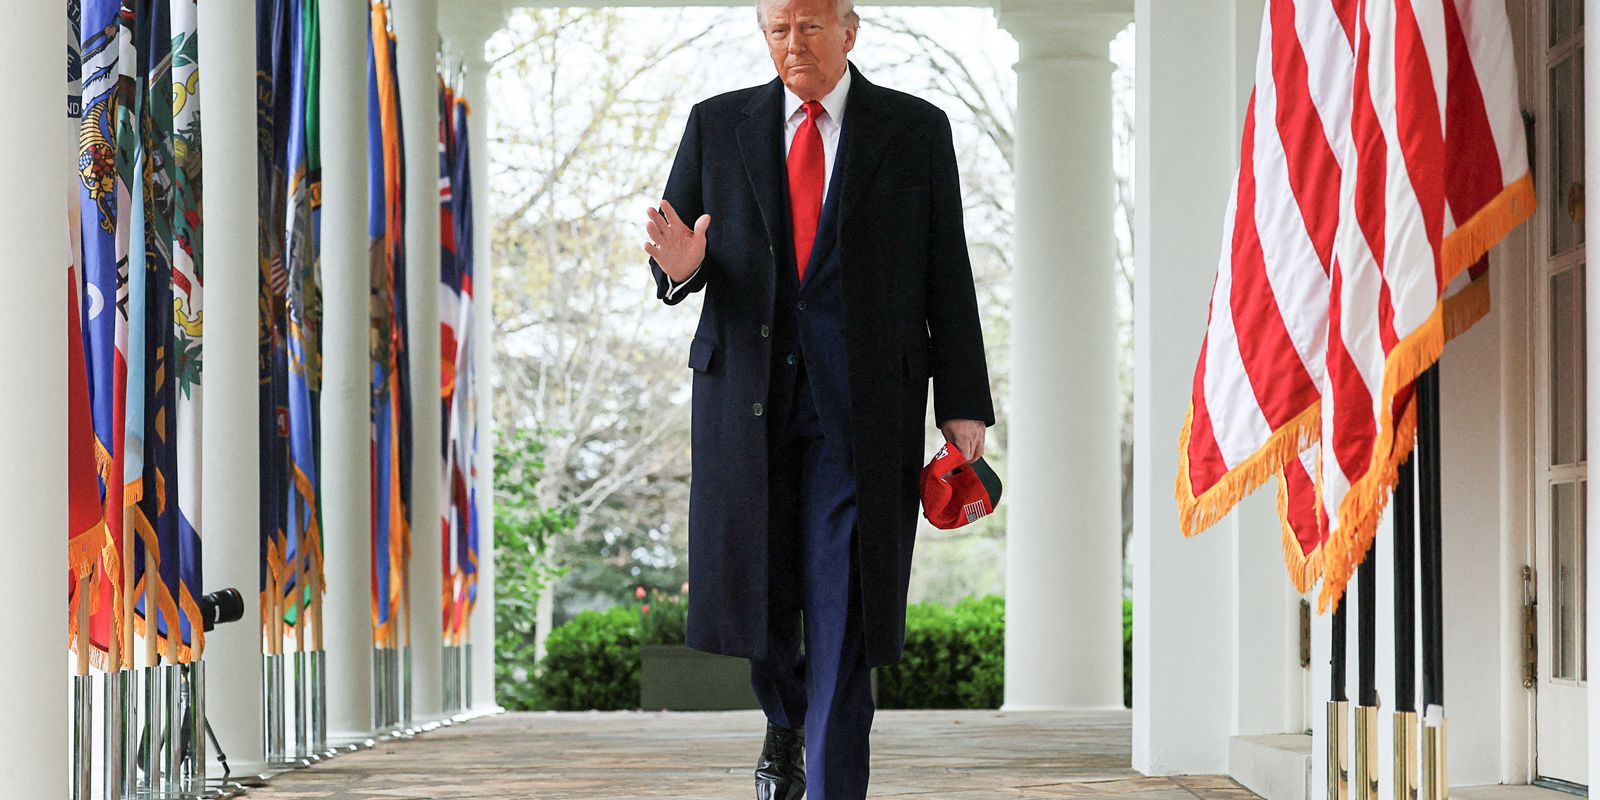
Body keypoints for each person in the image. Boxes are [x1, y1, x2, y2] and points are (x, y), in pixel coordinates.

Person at [644, 1, 994, 797]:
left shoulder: (915, 129)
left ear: (849, 31)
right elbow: (672, 252)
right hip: (747, 402)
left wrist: (963, 397)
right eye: (779, 29)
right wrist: (683, 268)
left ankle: (833, 781)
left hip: (865, 409)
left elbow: (948, 266)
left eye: (809, 26)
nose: (793, 43)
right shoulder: (716, 124)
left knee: (846, 607)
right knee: (763, 594)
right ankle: (784, 719)